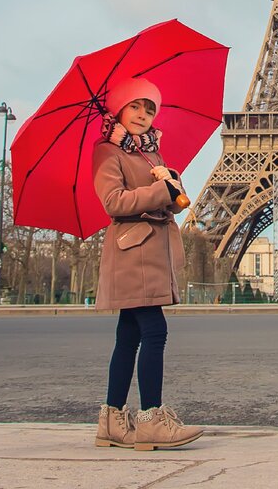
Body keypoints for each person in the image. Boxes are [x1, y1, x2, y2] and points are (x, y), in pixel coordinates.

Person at [92, 78, 204, 452]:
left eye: (150, 109)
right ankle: (152, 419)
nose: (142, 115)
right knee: (154, 331)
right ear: (119, 109)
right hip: (133, 254)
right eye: (135, 106)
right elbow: (113, 201)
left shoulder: (151, 154)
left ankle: (111, 421)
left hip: (152, 252)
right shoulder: (107, 151)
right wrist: (160, 190)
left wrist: (172, 185)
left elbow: (170, 199)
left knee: (129, 336)